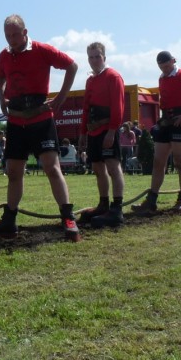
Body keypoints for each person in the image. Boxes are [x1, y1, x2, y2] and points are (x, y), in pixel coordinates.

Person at [0, 14, 81, 241]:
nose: (12, 40)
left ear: (25, 32)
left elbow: (72, 66)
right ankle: (9, 222)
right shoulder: (4, 55)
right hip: (16, 120)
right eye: (8, 36)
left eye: (15, 35)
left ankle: (68, 217)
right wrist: (1, 96)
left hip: (40, 118)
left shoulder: (42, 50)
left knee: (52, 168)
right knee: (14, 172)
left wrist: (62, 97)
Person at [132, 51, 181, 215]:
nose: (165, 69)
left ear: (173, 61)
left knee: (180, 160)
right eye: (161, 67)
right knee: (158, 161)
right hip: (165, 121)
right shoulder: (162, 78)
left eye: (167, 66)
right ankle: (151, 200)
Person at [77, 42, 126, 228]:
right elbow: (86, 108)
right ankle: (103, 204)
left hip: (107, 129)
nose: (94, 60)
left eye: (97, 56)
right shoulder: (90, 80)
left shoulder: (113, 76)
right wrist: (83, 132)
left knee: (113, 166)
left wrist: (112, 131)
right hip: (93, 131)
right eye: (91, 57)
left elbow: (118, 106)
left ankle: (117, 209)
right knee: (98, 168)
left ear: (104, 57)